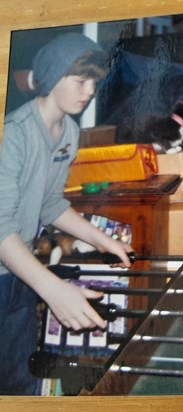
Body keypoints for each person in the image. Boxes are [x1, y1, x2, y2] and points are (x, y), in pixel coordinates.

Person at [0, 33, 133, 395]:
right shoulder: (12, 135)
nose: (89, 90)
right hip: (11, 261)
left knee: (18, 376)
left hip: (18, 269)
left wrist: (104, 240)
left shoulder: (69, 133)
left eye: (93, 82)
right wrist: (52, 289)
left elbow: (51, 204)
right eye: (80, 80)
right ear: (53, 76)